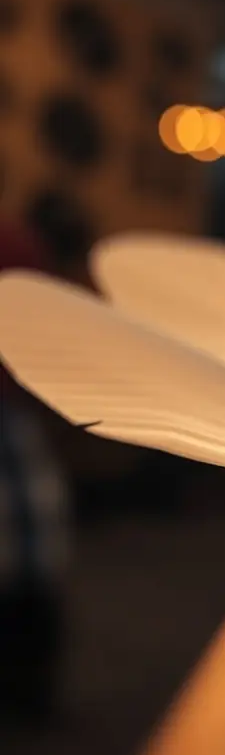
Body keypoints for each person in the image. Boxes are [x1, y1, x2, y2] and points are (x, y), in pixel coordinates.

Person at [0, 222, 69, 724]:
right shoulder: (19, 240)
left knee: (28, 551)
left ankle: (28, 691)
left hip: (10, 409)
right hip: (15, 406)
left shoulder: (14, 241)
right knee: (29, 550)